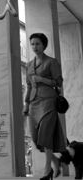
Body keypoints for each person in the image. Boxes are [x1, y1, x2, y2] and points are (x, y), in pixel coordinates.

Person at [22, 33, 66, 180]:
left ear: (44, 45)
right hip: (34, 103)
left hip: (48, 101)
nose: (35, 47)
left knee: (45, 136)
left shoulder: (51, 62)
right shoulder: (29, 64)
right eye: (32, 44)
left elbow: (58, 82)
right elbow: (28, 86)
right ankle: (54, 160)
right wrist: (26, 104)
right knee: (35, 139)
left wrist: (42, 79)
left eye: (38, 44)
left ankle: (48, 171)